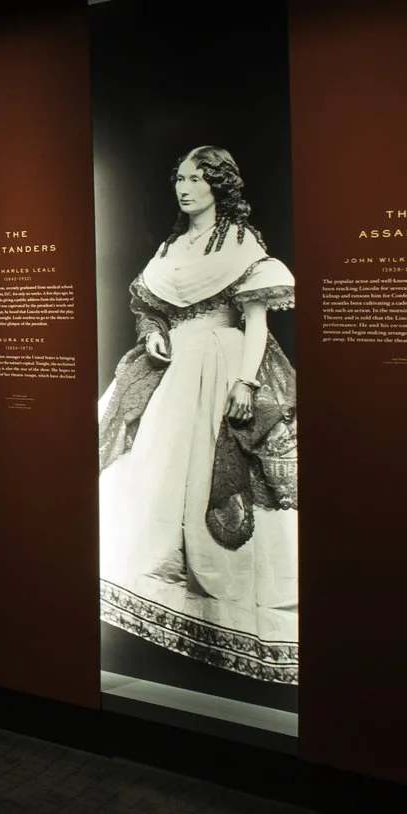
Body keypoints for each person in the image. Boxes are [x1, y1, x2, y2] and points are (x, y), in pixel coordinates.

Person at [95, 146, 298, 680]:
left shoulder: (239, 242)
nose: (184, 188)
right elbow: (150, 308)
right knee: (152, 465)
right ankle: (154, 574)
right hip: (173, 367)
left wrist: (246, 382)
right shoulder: (172, 244)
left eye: (196, 179)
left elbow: (257, 323)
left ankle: (221, 591)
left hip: (220, 362)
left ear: (219, 185)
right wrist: (153, 333)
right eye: (180, 179)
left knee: (213, 470)